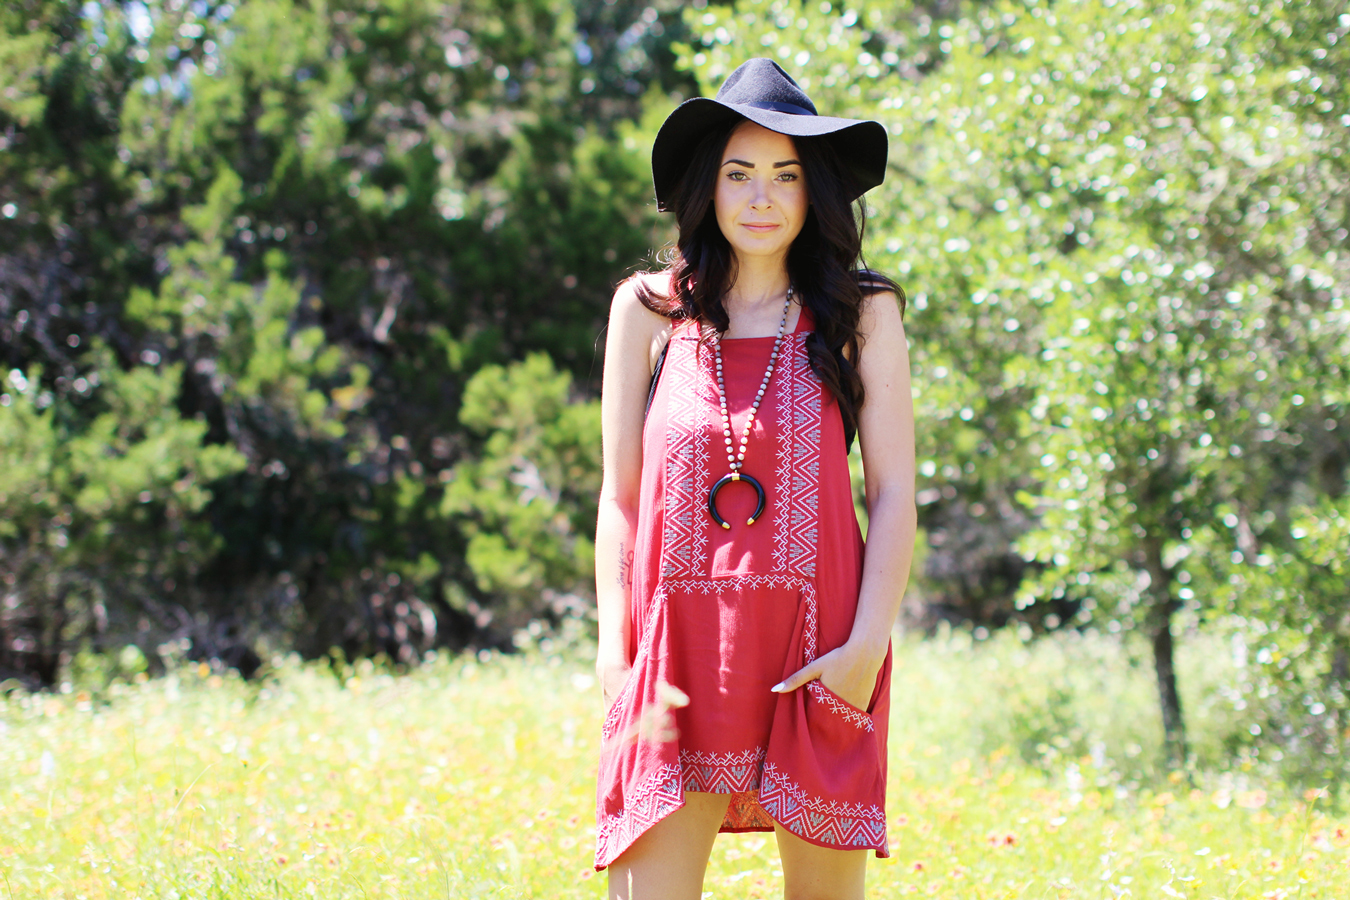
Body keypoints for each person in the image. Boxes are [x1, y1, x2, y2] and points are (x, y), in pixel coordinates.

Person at [593, 58, 916, 900]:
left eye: (786, 175)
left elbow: (893, 497)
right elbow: (619, 498)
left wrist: (866, 650)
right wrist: (612, 649)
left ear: (815, 195)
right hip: (672, 659)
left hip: (821, 655)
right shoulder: (648, 311)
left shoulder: (861, 313)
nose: (762, 198)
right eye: (740, 174)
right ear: (709, 187)